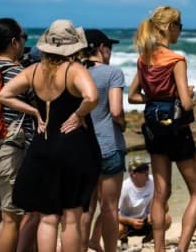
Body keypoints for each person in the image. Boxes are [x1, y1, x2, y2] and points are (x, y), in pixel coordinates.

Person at [0, 19, 101, 252]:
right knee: (72, 217)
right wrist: (78, 114)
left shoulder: (34, 70)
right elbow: (92, 96)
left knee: (47, 217)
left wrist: (34, 111)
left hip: (42, 145)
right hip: (73, 146)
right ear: (73, 46)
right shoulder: (74, 70)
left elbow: (4, 95)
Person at [128, 6, 196, 252]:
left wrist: (154, 100)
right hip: (176, 131)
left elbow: (132, 97)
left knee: (161, 192)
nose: (180, 32)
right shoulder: (176, 59)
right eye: (179, 26)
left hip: (154, 130)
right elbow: (184, 103)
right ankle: (182, 249)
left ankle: (159, 249)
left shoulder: (144, 59)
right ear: (170, 27)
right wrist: (187, 93)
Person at [80, 29, 126, 252]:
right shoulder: (112, 73)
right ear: (100, 48)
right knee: (109, 208)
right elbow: (116, 110)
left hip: (82, 147)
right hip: (109, 145)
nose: (111, 52)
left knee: (84, 209)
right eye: (110, 47)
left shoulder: (75, 73)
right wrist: (124, 124)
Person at [0, 18, 34, 252]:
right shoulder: (19, 73)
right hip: (9, 148)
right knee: (11, 218)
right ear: (13, 42)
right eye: (22, 38)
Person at [118, 157, 171, 250]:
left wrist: (153, 213)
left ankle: (147, 240)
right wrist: (130, 221)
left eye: (147, 168)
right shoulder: (124, 187)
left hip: (145, 220)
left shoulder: (153, 181)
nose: (146, 172)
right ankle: (123, 239)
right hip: (128, 223)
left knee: (166, 219)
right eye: (142, 170)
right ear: (133, 173)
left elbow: (165, 205)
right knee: (117, 228)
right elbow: (113, 214)